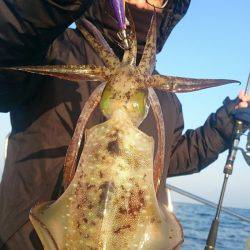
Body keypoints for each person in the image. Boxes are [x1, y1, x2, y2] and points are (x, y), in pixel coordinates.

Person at [0, 0, 249, 249]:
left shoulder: (167, 99)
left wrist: (225, 123)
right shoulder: (52, 50)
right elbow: (10, 42)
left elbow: (171, 159)